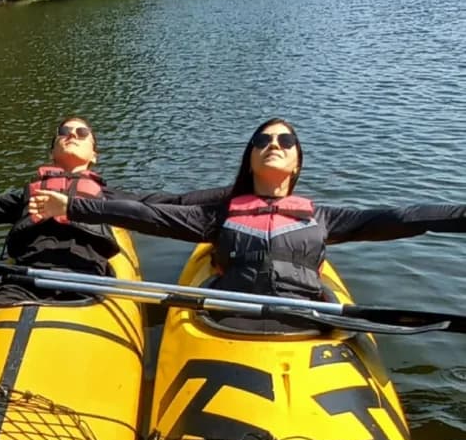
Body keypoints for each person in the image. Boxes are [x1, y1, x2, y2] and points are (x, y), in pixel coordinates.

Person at [29, 116, 466, 312]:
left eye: (285, 141)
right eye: (263, 140)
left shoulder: (322, 219)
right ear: (250, 158)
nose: (274, 144)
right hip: (229, 315)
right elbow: (146, 216)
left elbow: (401, 217)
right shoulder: (218, 217)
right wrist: (74, 206)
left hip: (306, 318)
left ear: (297, 163)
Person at [0, 115, 223, 305]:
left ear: (94, 155)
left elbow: (173, 204)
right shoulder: (28, 194)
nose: (72, 134)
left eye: (81, 133)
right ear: (52, 152)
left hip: (86, 277)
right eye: (65, 131)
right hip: (27, 277)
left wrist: (240, 192)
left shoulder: (109, 197)